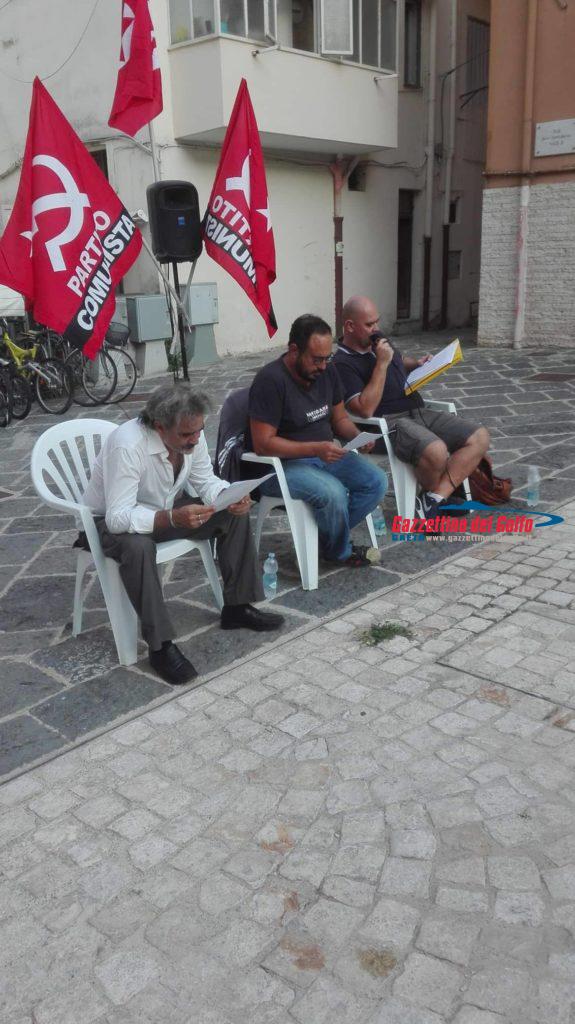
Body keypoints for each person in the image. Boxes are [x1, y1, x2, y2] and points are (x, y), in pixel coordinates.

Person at [82, 384, 283, 685]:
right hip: (108, 522)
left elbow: (205, 480)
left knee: (232, 513)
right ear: (160, 427)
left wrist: (229, 495)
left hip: (163, 509)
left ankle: (237, 607)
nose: (195, 439)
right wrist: (170, 517)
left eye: (199, 431)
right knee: (139, 549)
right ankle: (160, 646)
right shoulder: (128, 445)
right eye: (187, 434)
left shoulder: (191, 434)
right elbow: (117, 518)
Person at [248, 314, 388, 566]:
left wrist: (357, 436)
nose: (323, 366)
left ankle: (327, 539)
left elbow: (339, 419)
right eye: (316, 359)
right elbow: (263, 444)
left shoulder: (328, 371)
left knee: (376, 482)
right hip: (280, 467)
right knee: (333, 493)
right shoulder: (271, 380)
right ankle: (339, 551)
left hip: (324, 455)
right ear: (294, 350)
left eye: (327, 358)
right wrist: (315, 448)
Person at [334, 296, 490, 520]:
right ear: (349, 326)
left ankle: (434, 499)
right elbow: (364, 409)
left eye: (377, 321)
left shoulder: (377, 341)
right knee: (436, 451)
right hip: (386, 422)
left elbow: (398, 359)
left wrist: (416, 363)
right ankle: (437, 501)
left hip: (418, 410)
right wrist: (381, 364)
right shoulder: (342, 363)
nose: (376, 328)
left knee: (479, 437)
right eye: (369, 324)